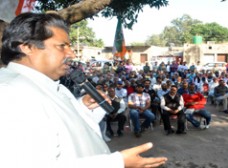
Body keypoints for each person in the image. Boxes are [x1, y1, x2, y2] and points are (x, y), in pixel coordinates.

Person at [0, 13, 167, 168]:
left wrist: (82, 107)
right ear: (28, 47)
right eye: (62, 46)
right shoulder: (9, 93)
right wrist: (116, 163)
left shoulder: (51, 85)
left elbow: (59, 127)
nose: (71, 54)